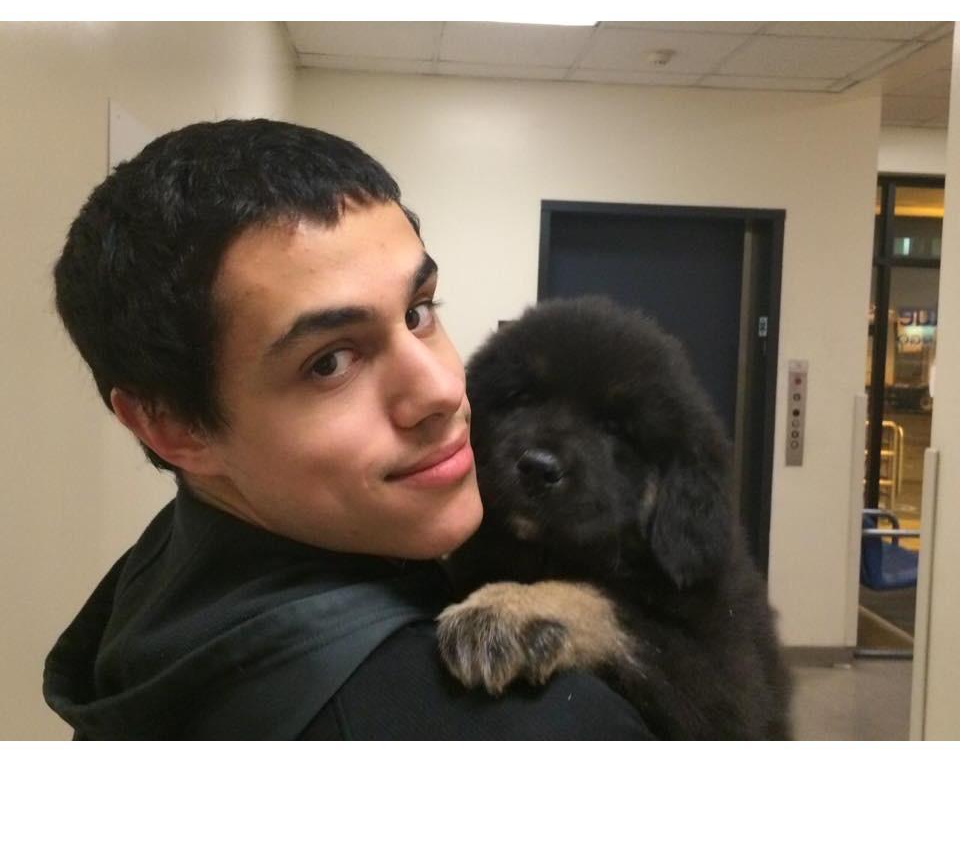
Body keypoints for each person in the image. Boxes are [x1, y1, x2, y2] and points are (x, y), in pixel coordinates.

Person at [44, 118, 654, 739]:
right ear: (173, 427)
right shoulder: (535, 729)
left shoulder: (159, 574)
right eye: (330, 362)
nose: (443, 390)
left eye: (418, 312)